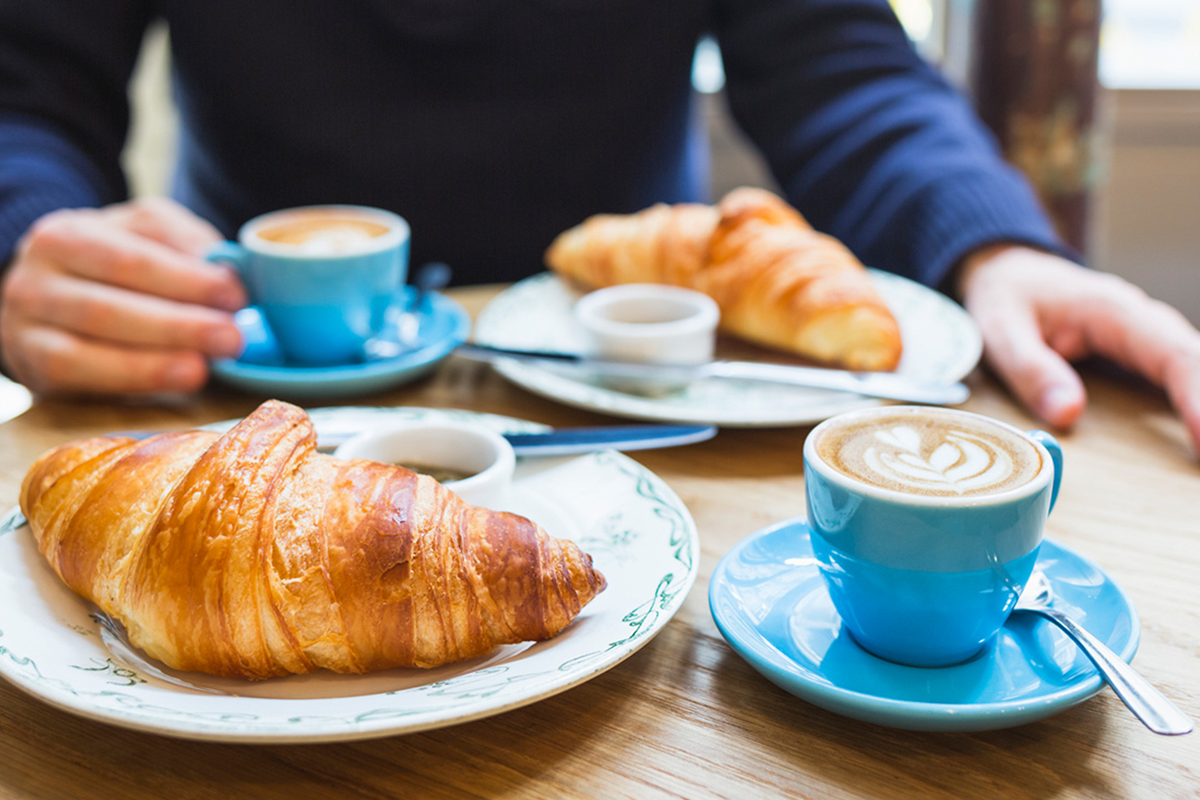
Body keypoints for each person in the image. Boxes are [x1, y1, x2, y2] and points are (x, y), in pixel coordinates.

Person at [0, 1, 1197, 453]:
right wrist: (32, 237)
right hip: (230, 398)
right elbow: (26, 89)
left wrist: (995, 243)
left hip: (645, 408)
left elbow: (837, 62)